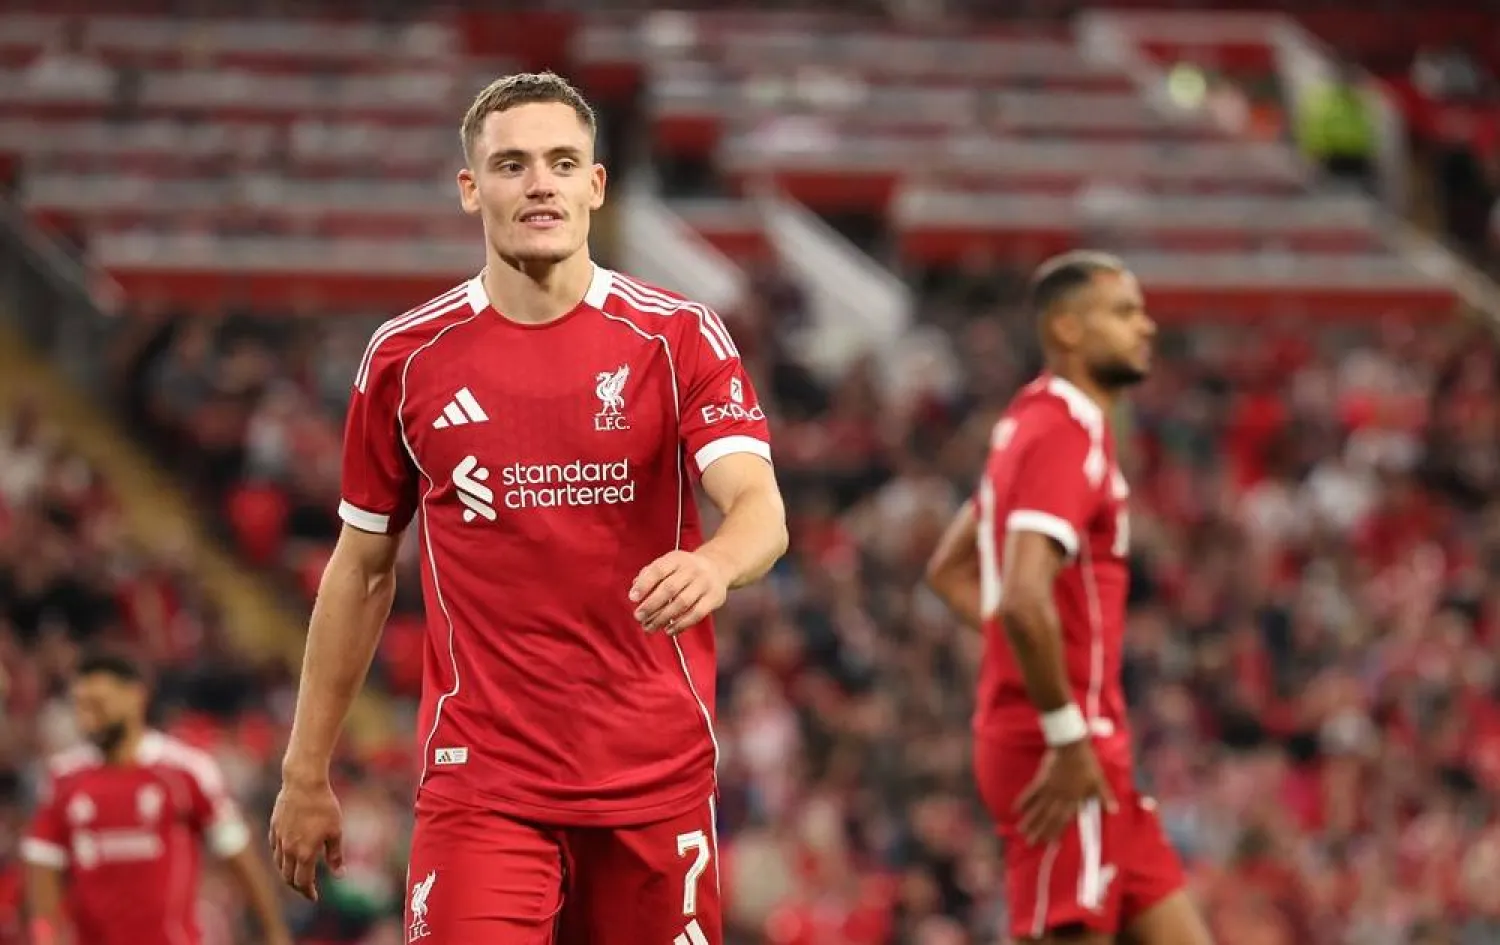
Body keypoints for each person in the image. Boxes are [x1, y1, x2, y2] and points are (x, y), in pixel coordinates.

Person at [268, 71, 787, 945]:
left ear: (596, 185)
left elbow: (760, 508)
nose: (539, 182)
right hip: (484, 788)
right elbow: (359, 573)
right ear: (471, 189)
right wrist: (304, 768)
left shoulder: (678, 335)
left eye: (561, 161)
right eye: (511, 164)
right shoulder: (405, 359)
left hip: (653, 778)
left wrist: (714, 561)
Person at [925, 251, 1214, 945]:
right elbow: (1023, 597)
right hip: (1062, 753)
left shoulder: (1031, 420)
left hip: (1087, 746)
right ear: (1067, 329)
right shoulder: (1064, 432)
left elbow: (952, 568)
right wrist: (1063, 731)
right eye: (1122, 312)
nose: (1145, 327)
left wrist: (1023, 664)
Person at [21, 652, 291, 945]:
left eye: (98, 705)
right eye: (81, 707)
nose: (88, 718)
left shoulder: (185, 771)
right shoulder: (63, 779)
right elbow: (43, 868)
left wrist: (274, 932)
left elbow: (238, 855)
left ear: (136, 696)